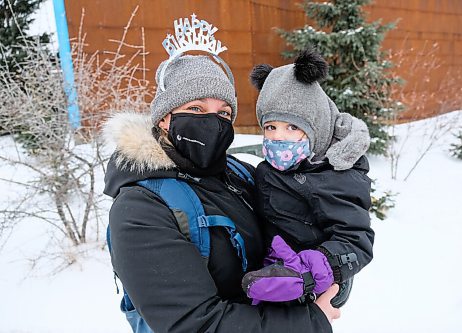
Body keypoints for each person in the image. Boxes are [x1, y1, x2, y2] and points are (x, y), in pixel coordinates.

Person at [103, 53, 342, 332]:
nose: (212, 122)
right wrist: (310, 321)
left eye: (224, 113)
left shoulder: (239, 174)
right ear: (165, 119)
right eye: (195, 108)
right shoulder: (140, 209)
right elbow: (195, 324)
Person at [242, 50, 374, 307]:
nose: (278, 137)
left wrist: (305, 273)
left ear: (317, 128)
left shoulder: (336, 176)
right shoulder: (267, 171)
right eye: (271, 127)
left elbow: (355, 239)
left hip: (313, 287)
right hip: (270, 277)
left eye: (292, 127)